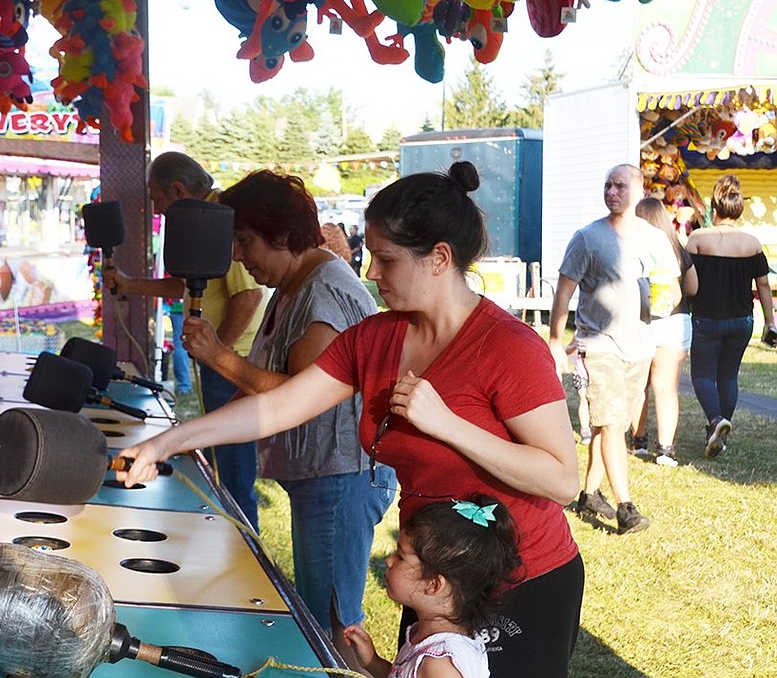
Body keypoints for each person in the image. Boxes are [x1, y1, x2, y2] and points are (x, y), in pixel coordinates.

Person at [118, 161, 583, 678]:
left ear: (439, 259)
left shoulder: (508, 346)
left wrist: (449, 424)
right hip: (435, 576)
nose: (370, 273)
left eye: (385, 259)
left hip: (520, 576)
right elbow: (279, 405)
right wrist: (168, 442)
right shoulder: (377, 336)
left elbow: (561, 479)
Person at [180, 169, 395, 634]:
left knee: (331, 626)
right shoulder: (293, 286)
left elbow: (301, 396)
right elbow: (262, 386)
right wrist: (186, 439)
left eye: (245, 240)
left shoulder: (325, 291)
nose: (238, 255)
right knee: (319, 616)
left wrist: (218, 355)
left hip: (343, 477)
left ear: (281, 234)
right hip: (322, 476)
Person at [102, 151, 268, 528]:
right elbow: (188, 283)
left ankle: (245, 549)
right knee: (225, 469)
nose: (157, 209)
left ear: (177, 190)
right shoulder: (201, 221)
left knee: (234, 475)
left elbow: (249, 296)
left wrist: (216, 353)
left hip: (232, 365)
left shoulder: (220, 218)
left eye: (157, 199)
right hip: (221, 362)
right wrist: (130, 284)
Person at [548, 164, 679, 534]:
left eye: (620, 186)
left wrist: (667, 301)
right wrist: (557, 340)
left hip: (639, 346)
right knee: (608, 423)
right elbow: (564, 290)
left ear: (638, 191)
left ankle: (588, 494)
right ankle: (626, 507)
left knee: (615, 424)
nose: (612, 192)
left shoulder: (653, 238)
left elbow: (674, 285)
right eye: (607, 185)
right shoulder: (588, 237)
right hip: (598, 345)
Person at [342, 495, 523, 678]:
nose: (389, 561)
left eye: (401, 556)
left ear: (434, 584)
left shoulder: (441, 666)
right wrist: (372, 661)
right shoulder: (429, 637)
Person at [685, 174, 776, 458]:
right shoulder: (753, 243)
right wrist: (771, 322)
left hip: (707, 318)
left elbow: (688, 280)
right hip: (741, 320)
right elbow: (763, 285)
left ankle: (715, 421)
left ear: (714, 208)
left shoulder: (697, 239)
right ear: (738, 209)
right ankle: (719, 434)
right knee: (728, 377)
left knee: (701, 375)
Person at [630, 197, 697, 467]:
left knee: (639, 387)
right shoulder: (677, 249)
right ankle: (666, 450)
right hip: (675, 323)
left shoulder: (633, 246)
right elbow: (692, 288)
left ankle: (639, 442)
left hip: (642, 321)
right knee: (667, 389)